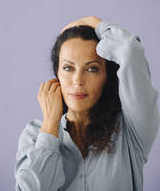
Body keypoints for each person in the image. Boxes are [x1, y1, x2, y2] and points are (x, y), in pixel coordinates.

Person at [14, 16, 160, 191]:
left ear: (107, 77)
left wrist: (93, 22)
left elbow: (130, 51)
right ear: (57, 75)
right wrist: (50, 126)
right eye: (68, 68)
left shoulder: (130, 130)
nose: (77, 80)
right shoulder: (34, 135)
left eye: (92, 68)